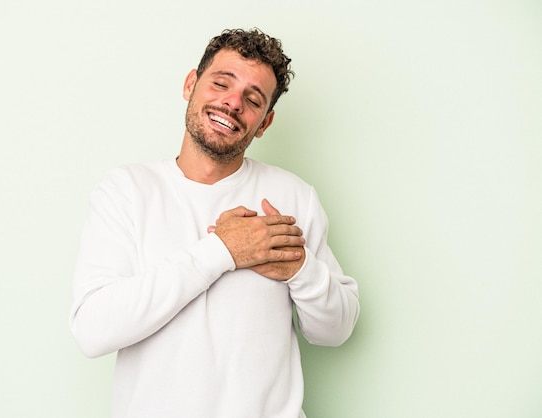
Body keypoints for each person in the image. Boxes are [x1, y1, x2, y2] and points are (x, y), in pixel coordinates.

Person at [70, 28, 360, 418]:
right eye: (221, 83)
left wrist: (299, 266)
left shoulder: (293, 196)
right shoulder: (126, 190)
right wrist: (221, 251)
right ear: (191, 83)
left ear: (265, 122)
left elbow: (335, 330)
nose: (232, 103)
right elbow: (92, 330)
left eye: (252, 99)